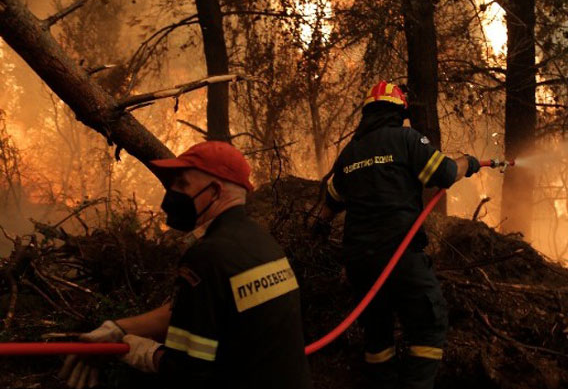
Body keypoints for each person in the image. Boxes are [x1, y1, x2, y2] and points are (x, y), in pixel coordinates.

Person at [59, 141, 313, 389]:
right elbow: (199, 307)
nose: (172, 193)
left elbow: (186, 372)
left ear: (214, 192)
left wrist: (141, 352)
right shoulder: (261, 242)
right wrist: (118, 328)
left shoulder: (208, 256)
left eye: (182, 184)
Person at [315, 81, 481, 389]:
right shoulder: (405, 139)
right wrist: (467, 163)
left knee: (377, 334)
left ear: (367, 113)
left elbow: (332, 199)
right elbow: (444, 173)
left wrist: (320, 226)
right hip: (399, 255)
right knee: (429, 326)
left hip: (359, 262)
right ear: (398, 112)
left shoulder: (349, 153)